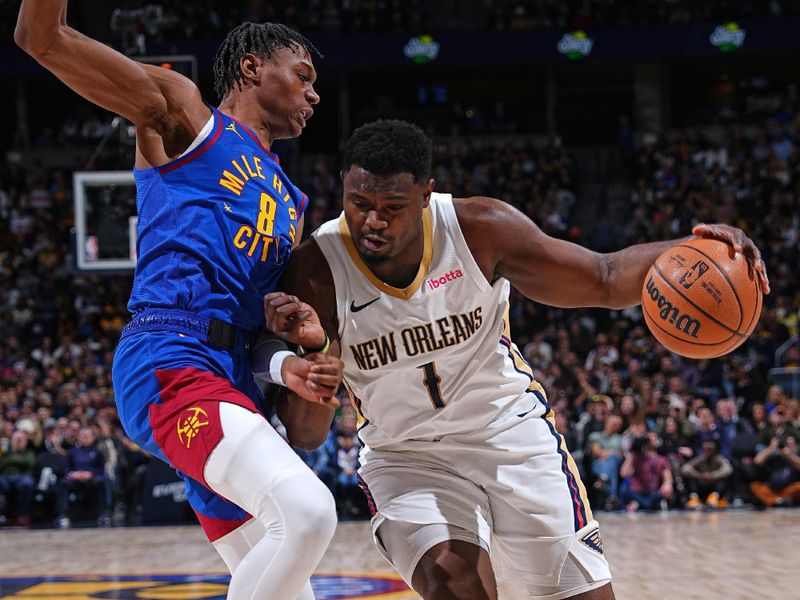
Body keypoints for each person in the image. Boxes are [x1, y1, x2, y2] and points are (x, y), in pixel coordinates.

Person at [262, 119, 769, 600]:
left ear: (425, 194)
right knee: (454, 583)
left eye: (392, 206)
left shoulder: (479, 230)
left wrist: (695, 249)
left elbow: (605, 276)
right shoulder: (316, 270)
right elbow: (306, 435)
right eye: (359, 203)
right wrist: (316, 353)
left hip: (509, 435)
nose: (373, 221)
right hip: (406, 454)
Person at [16, 4, 344, 598]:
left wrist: (288, 361)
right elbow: (41, 38)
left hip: (236, 382)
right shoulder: (188, 118)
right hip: (173, 354)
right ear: (251, 68)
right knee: (310, 514)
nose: (314, 94)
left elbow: (255, 325)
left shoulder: (293, 200)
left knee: (291, 585)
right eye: (303, 75)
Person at [55, 427, 107, 527]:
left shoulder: (98, 452)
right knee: (63, 483)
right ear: (78, 437)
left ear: (93, 437)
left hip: (91, 479)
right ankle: (62, 515)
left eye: (87, 435)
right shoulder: (72, 451)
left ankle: (103, 514)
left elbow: (101, 469)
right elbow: (66, 468)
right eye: (82, 436)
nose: (85, 437)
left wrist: (91, 474)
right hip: (75, 479)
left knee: (101, 481)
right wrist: (73, 474)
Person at [619, 433, 673, 512]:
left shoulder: (661, 459)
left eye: (653, 439)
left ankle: (640, 504)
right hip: (637, 492)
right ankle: (645, 503)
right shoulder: (636, 458)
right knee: (625, 490)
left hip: (652, 492)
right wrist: (631, 454)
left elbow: (668, 477)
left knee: (660, 495)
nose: (650, 441)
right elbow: (624, 474)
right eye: (648, 439)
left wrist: (667, 485)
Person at [680, 439, 733, 509]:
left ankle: (714, 498)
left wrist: (712, 475)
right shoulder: (700, 458)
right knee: (690, 479)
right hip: (701, 485)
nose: (708, 451)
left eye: (710, 449)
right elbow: (685, 468)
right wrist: (698, 475)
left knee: (723, 480)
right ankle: (694, 499)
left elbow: (728, 469)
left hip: (714, 485)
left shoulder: (719, 459)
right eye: (706, 449)